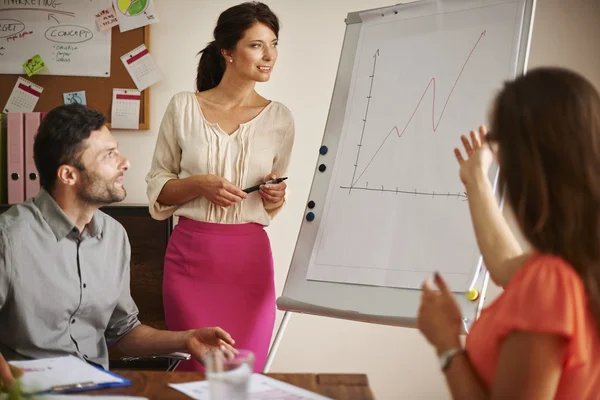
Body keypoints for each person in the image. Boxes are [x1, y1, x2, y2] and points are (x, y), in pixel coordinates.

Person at [0, 104, 236, 390]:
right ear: (68, 175)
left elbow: (123, 331)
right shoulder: (9, 237)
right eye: (109, 155)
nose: (125, 163)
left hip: (99, 390)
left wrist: (186, 339)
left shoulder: (114, 236)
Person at [417, 67, 600, 399]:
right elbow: (507, 266)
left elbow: (529, 278)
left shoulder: (552, 279)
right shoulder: (581, 260)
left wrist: (446, 346)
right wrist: (476, 178)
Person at [145, 2, 294, 372]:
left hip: (250, 263)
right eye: (257, 45)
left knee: (246, 373)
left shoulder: (280, 118)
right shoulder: (183, 107)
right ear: (227, 50)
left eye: (273, 44)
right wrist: (197, 185)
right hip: (192, 258)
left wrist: (275, 196)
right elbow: (158, 188)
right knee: (197, 372)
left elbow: (274, 194)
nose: (269, 56)